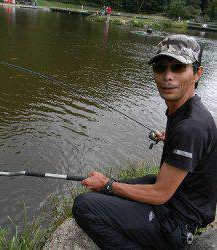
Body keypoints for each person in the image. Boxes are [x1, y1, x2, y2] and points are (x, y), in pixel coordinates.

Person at [72, 34, 217, 249]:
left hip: (178, 223)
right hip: (181, 201)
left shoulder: (190, 127)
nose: (168, 76)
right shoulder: (187, 111)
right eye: (160, 67)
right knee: (141, 181)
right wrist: (171, 139)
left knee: (84, 205)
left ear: (197, 73)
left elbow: (160, 194)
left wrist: (108, 185)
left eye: (178, 67)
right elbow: (197, 148)